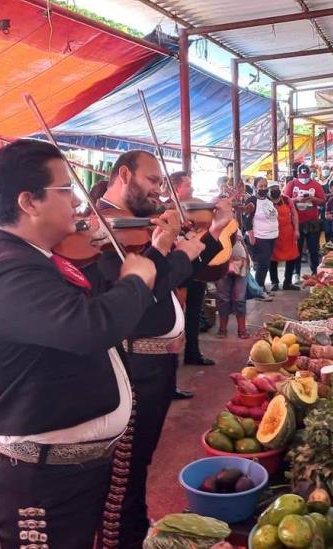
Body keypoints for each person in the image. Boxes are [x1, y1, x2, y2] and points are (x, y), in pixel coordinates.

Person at [0, 140, 158, 549]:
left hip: (66, 474)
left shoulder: (36, 259)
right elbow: (90, 327)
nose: (76, 200)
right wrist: (136, 281)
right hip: (41, 481)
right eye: (64, 189)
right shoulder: (9, 274)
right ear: (29, 202)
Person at [95, 150, 232, 548]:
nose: (160, 191)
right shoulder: (102, 230)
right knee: (125, 470)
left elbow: (187, 270)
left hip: (155, 364)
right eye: (153, 181)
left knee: (139, 464)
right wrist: (164, 248)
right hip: (132, 362)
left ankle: (134, 530)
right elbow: (147, 288)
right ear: (125, 175)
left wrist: (211, 233)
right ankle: (122, 537)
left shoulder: (140, 227)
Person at [171, 171, 215, 369]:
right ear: (176, 188)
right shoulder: (167, 210)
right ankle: (171, 361)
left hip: (196, 265)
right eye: (188, 185)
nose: (192, 189)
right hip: (176, 268)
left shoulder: (194, 209)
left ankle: (193, 351)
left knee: (195, 311)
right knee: (176, 313)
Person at [284, 164, 325, 278]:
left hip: (312, 222)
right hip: (296, 222)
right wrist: (296, 199)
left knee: (313, 249)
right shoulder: (291, 184)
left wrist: (313, 199)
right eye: (302, 176)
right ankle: (296, 272)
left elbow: (322, 201)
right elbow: (285, 200)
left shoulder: (316, 185)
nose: (304, 179)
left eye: (306, 176)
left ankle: (315, 272)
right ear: (297, 174)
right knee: (296, 249)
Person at [243, 176, 279, 293]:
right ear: (255, 187)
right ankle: (259, 290)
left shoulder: (268, 200)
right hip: (259, 237)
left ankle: (261, 287)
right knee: (262, 264)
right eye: (260, 186)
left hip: (271, 237)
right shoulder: (252, 201)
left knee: (265, 264)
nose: (263, 188)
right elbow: (246, 219)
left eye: (265, 186)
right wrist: (251, 235)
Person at [216, 231, 250, 338]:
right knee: (223, 298)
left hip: (241, 264)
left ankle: (242, 330)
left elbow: (241, 242)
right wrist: (229, 261)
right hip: (222, 264)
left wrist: (247, 257)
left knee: (240, 298)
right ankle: (222, 329)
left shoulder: (235, 225)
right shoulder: (215, 225)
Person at [268, 182, 300, 291]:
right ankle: (274, 282)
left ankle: (288, 282)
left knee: (291, 257)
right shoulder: (266, 201)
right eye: (272, 188)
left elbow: (294, 214)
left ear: (280, 188)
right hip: (272, 233)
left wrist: (296, 230)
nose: (274, 190)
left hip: (288, 232)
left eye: (276, 188)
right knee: (272, 258)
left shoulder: (287, 199)